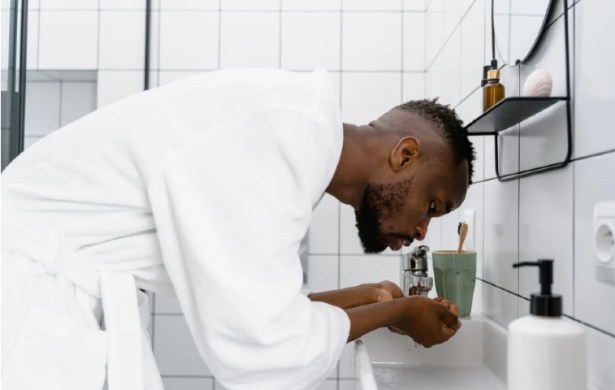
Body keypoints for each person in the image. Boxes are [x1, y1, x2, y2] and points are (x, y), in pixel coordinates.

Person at [1, 68, 475, 390]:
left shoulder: (296, 133)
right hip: (27, 296)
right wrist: (399, 312)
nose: (421, 230)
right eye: (432, 204)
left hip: (50, 287)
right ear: (405, 155)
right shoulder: (282, 137)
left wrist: (371, 297)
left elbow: (253, 312)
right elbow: (261, 349)